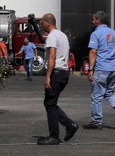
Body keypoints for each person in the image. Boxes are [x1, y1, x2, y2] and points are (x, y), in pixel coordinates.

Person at [83, 11, 115, 130]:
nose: (92, 22)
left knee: (96, 96)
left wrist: (90, 70)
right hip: (112, 68)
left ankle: (96, 121)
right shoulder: (114, 33)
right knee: (109, 92)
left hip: (101, 68)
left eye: (93, 19)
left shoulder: (96, 34)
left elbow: (93, 52)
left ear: (98, 20)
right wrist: (112, 52)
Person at [38, 13, 79, 145]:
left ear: (48, 22)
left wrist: (48, 76)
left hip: (56, 72)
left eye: (42, 23)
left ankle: (55, 136)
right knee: (50, 103)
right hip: (64, 72)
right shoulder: (62, 35)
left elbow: (52, 57)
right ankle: (69, 125)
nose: (41, 25)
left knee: (50, 104)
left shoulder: (52, 36)